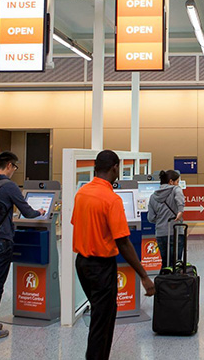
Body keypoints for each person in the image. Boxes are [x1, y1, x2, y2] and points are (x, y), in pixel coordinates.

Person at [72, 150, 156, 360]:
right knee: (103, 323)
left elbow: (77, 224)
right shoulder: (111, 199)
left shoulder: (81, 193)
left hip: (82, 264)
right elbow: (124, 242)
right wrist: (144, 276)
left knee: (99, 317)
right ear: (115, 168)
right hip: (101, 268)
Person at [0, 151, 45, 342]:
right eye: (14, 167)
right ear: (8, 166)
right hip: (1, 241)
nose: (14, 171)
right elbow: (28, 213)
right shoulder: (9, 186)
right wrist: (39, 211)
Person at [147, 169, 185, 268]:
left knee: (165, 263)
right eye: (177, 182)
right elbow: (180, 199)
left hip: (161, 233)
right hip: (176, 231)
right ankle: (176, 282)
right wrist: (180, 211)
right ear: (171, 182)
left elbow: (150, 218)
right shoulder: (175, 189)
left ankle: (164, 282)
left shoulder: (153, 197)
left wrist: (161, 220)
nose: (178, 184)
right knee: (176, 264)